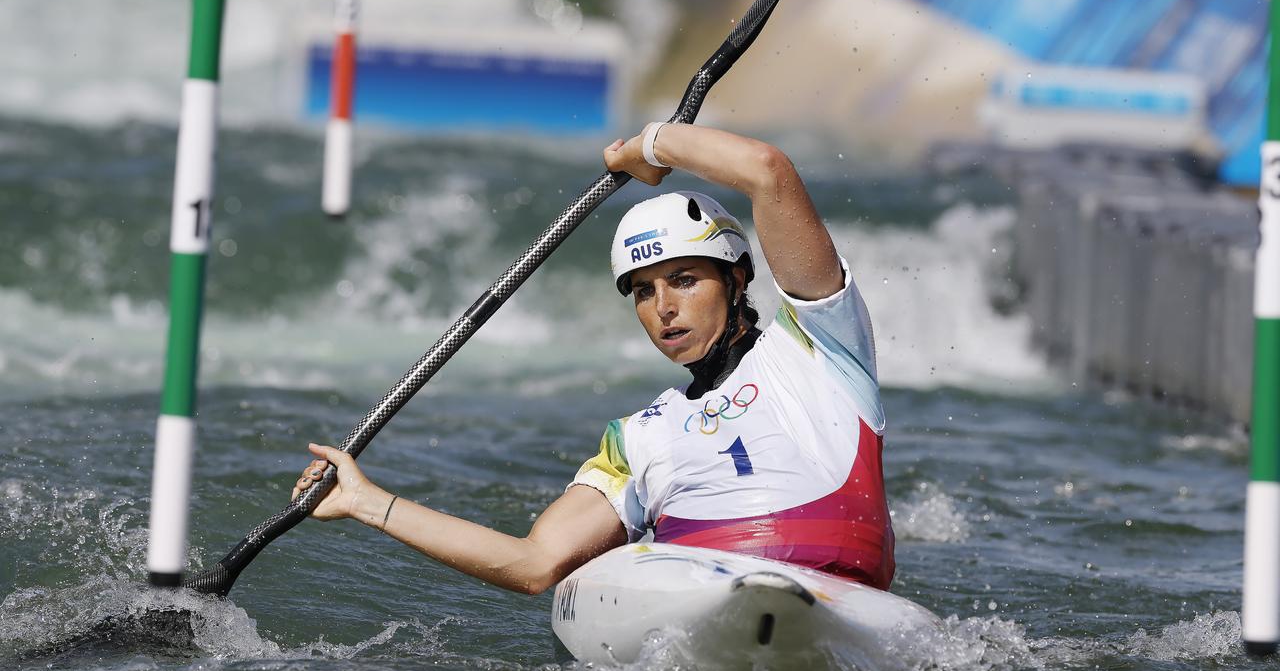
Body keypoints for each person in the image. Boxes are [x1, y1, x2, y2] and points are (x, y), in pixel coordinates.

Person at [293, 123, 894, 594]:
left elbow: (767, 170)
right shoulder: (636, 438)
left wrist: (649, 146)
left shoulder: (820, 343)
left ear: (737, 277)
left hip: (839, 596)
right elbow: (534, 564)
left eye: (683, 279)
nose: (663, 308)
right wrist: (366, 502)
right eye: (642, 291)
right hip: (711, 606)